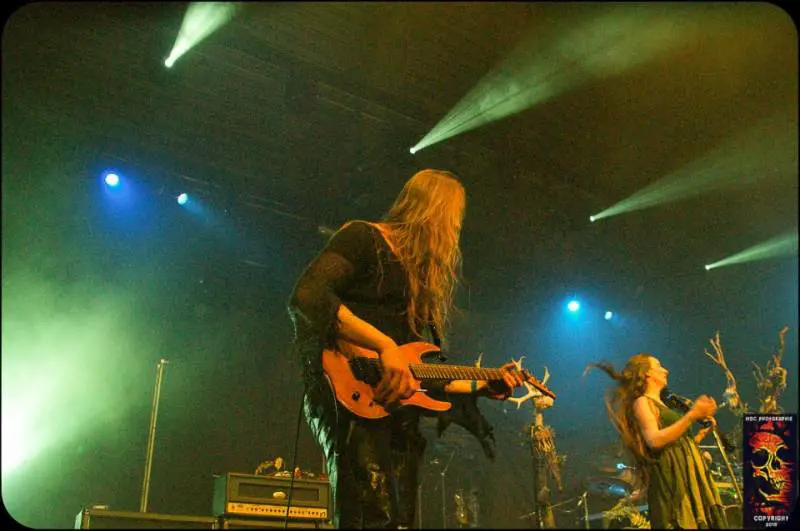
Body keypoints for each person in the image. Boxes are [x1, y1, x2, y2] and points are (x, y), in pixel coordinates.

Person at [288, 169, 525, 528]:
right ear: (433, 212)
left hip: (395, 412)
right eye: (454, 219)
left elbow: (419, 372)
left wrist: (483, 384)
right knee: (370, 514)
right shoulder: (364, 237)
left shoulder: (418, 286)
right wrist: (384, 346)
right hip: (346, 391)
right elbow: (307, 296)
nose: (456, 231)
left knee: (397, 518)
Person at [585, 354, 729, 529]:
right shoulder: (642, 402)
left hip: (686, 477)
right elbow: (654, 440)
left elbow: (676, 448)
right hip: (670, 481)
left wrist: (698, 436)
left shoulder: (665, 404)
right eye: (659, 366)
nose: (665, 370)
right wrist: (692, 416)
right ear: (647, 373)